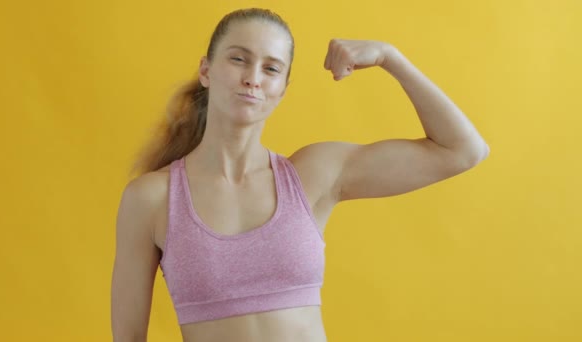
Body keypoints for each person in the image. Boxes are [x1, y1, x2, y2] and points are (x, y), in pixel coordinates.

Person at [110, 7, 489, 342]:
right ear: (206, 70)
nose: (253, 78)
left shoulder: (314, 174)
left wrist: (391, 58)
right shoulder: (152, 198)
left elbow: (462, 150)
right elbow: (127, 336)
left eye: (271, 68)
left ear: (283, 89)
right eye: (238, 59)